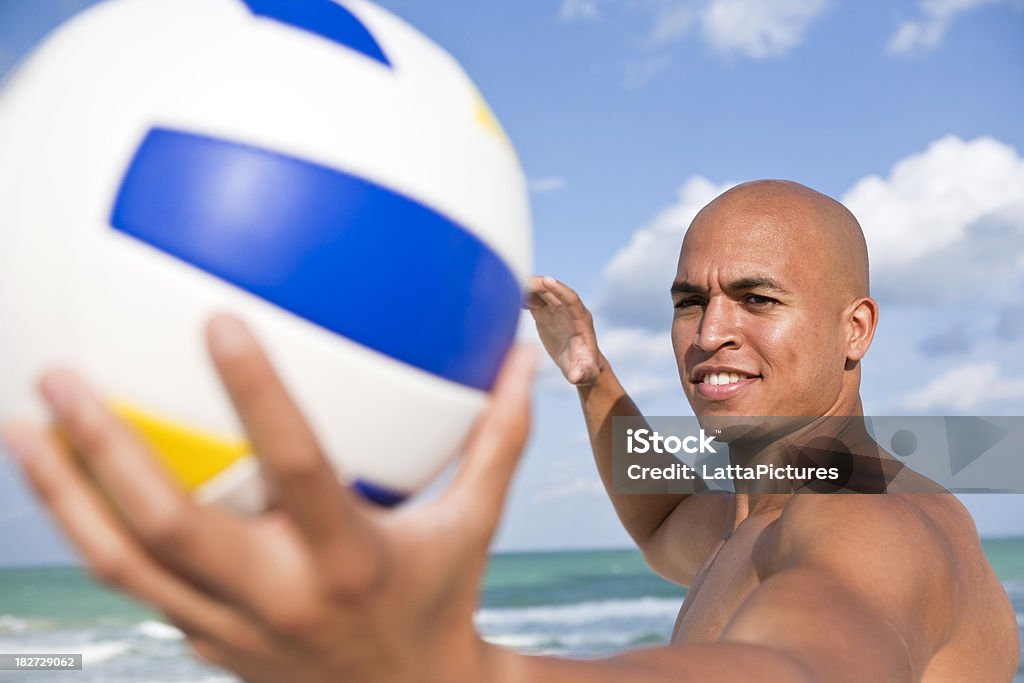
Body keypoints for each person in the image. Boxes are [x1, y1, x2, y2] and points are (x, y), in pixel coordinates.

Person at [2, 180, 1019, 681]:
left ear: (856, 328)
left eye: (756, 297)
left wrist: (454, 661)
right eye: (686, 298)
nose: (710, 332)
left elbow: (794, 670)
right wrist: (587, 374)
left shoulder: (875, 523)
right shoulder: (760, 509)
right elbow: (668, 520)